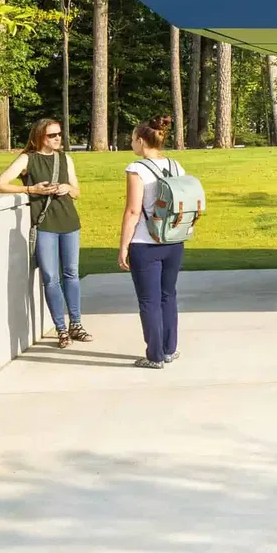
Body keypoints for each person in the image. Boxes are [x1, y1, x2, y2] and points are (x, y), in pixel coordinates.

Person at [0, 119, 91, 347]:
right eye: (52, 135)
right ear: (39, 137)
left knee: (71, 274)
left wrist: (68, 188)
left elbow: (77, 191)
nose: (58, 138)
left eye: (59, 134)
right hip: (45, 223)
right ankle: (61, 329)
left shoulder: (65, 158)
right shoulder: (28, 159)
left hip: (69, 222)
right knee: (50, 277)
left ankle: (76, 324)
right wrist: (31, 189)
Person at [119, 115, 185, 368]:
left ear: (140, 140)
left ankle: (155, 356)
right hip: (173, 240)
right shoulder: (176, 166)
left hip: (145, 243)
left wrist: (124, 245)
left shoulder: (137, 169)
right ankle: (169, 349)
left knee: (149, 300)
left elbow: (133, 211)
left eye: (133, 138)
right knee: (168, 295)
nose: (132, 143)